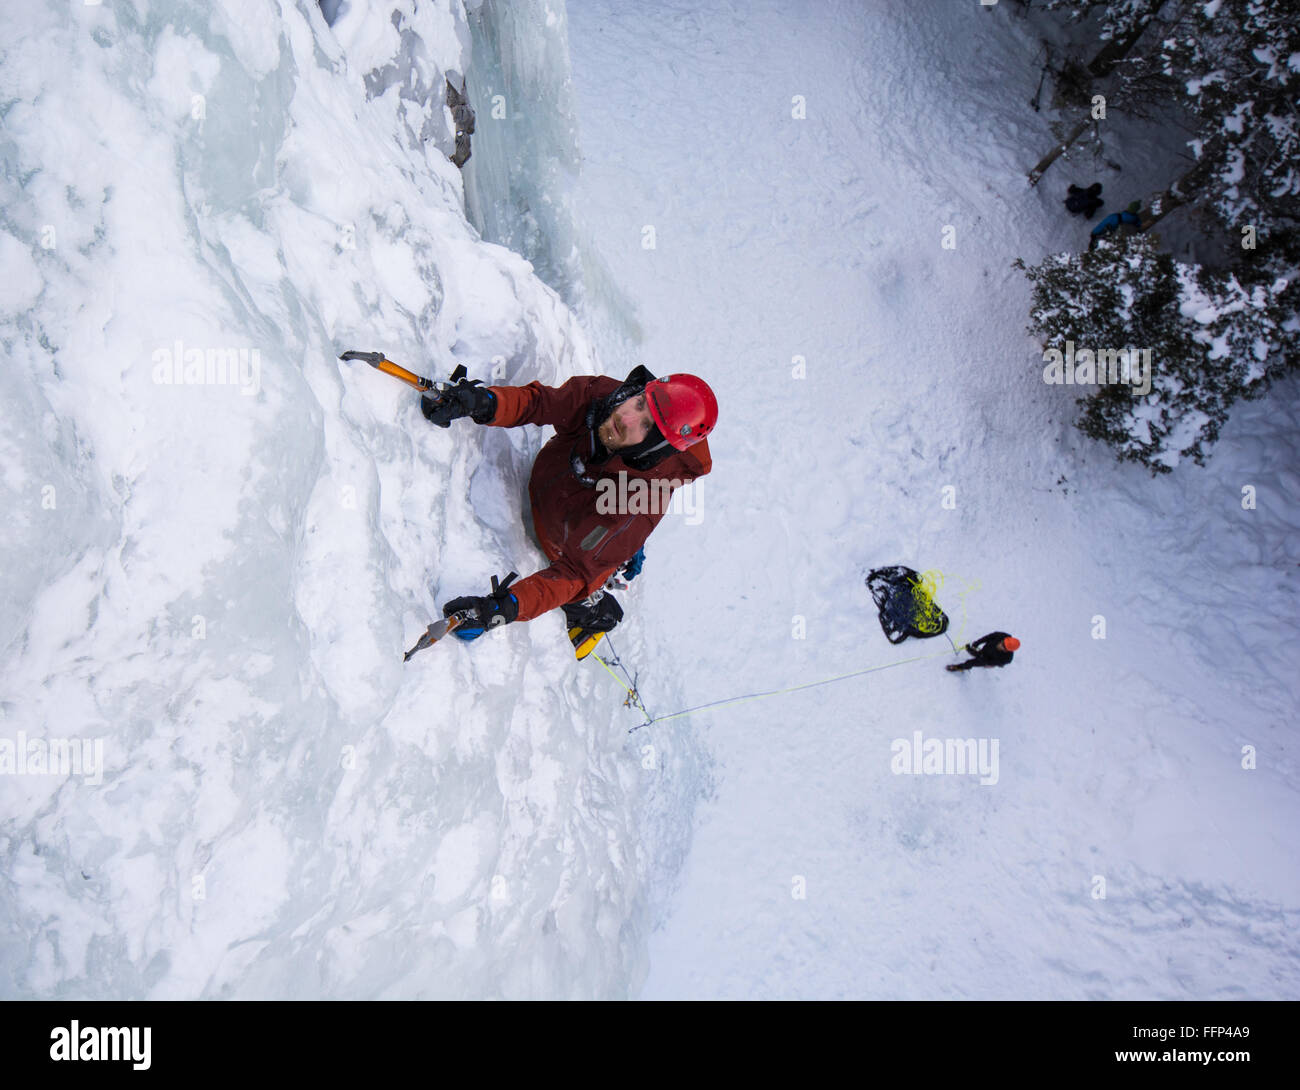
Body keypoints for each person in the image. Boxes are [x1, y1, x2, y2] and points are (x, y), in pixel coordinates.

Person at [424, 366, 716, 642]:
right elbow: (541, 403)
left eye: (646, 425)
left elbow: (574, 574)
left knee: (587, 580)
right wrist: (483, 402)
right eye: (640, 404)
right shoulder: (606, 397)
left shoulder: (640, 503)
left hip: (563, 546)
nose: (626, 417)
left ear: (658, 448)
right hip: (549, 487)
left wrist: (505, 607)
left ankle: (593, 613)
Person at [946, 632, 1020, 672]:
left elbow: (989, 661)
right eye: (1002, 642)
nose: (1000, 644)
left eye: (1003, 646)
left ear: (1007, 650)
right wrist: (977, 643)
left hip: (988, 659)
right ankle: (975, 653)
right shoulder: (1003, 636)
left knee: (970, 662)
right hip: (986, 649)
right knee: (979, 652)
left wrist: (981, 659)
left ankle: (960, 667)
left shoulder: (1006, 659)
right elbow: (989, 637)